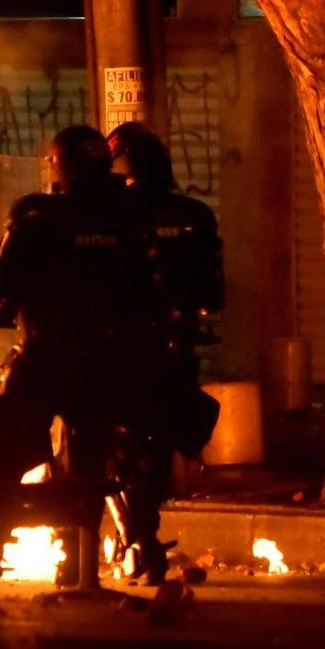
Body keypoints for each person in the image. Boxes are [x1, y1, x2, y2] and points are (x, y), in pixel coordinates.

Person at [0, 125, 150, 597]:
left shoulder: (37, 215)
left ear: (60, 164)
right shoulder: (130, 217)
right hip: (105, 362)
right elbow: (145, 286)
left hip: (43, 357)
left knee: (1, 465)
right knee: (86, 469)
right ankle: (78, 571)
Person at [104, 121, 223, 583]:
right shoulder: (195, 214)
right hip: (176, 351)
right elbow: (213, 293)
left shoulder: (111, 214)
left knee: (111, 448)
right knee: (153, 448)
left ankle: (137, 541)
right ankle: (140, 540)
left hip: (120, 353)